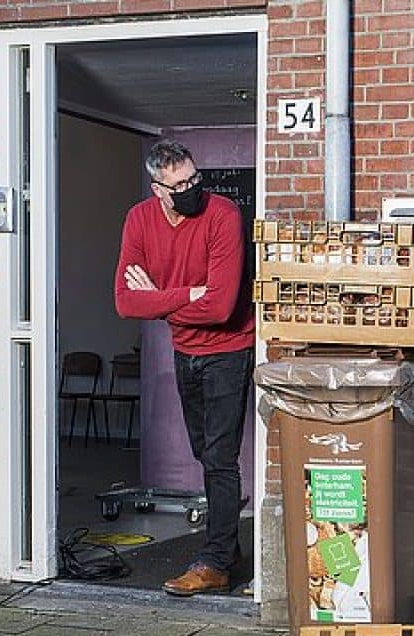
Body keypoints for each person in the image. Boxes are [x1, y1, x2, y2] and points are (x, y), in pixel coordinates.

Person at [115, 140, 254, 596]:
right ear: (159, 189)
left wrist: (159, 298)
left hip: (229, 348)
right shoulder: (139, 220)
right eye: (180, 185)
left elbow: (221, 306)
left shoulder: (223, 215)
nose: (193, 188)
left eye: (195, 178)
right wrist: (187, 294)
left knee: (219, 458)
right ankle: (227, 545)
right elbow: (124, 301)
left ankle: (215, 564)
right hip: (186, 350)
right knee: (204, 453)